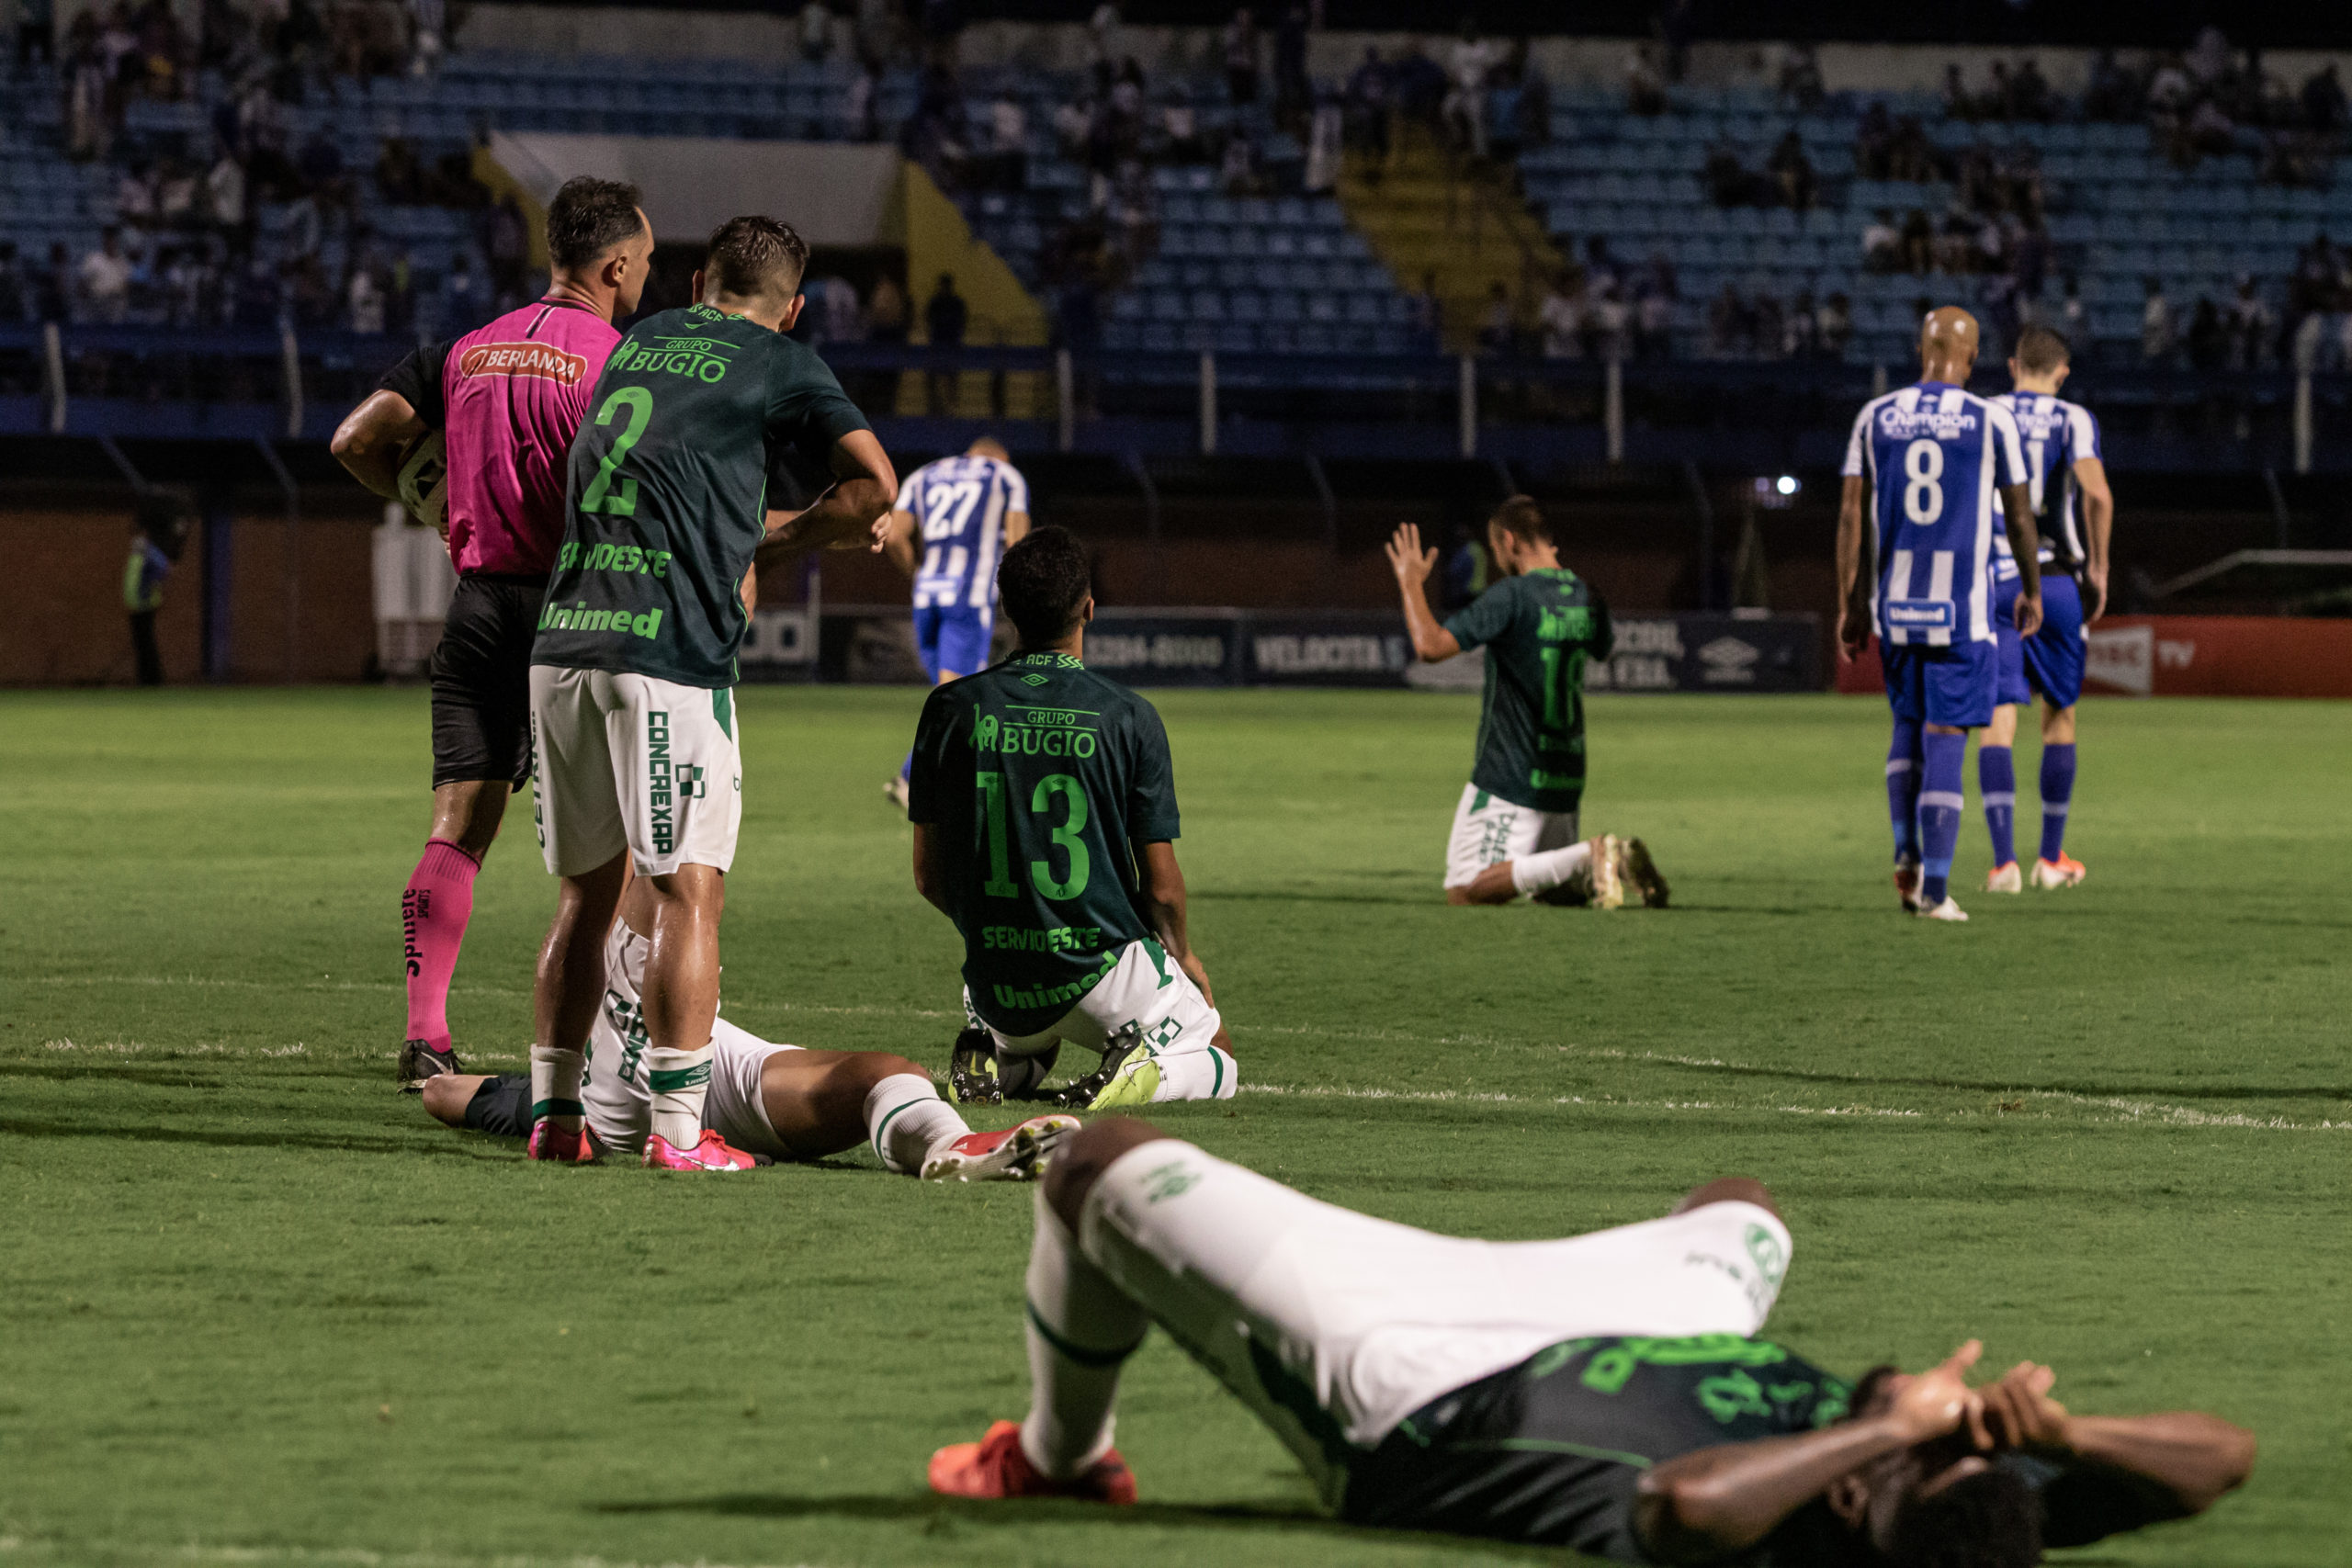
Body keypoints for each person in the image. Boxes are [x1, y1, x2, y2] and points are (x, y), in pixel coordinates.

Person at [931, 1116, 2258, 1564]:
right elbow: (2225, 1457)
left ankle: (1060, 1451)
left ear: (1863, 1492)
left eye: (1918, 1456)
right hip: (1632, 1313)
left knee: (1100, 1166)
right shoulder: (1967, 1507)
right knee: (1744, 1214)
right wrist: (2064, 1435)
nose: (1955, 1431)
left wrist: (1891, 1421)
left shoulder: (1798, 1517)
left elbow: (1680, 1502)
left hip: (1425, 1374)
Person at [525, 215, 898, 1170]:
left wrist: (733, 524)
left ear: (699, 281)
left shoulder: (640, 340)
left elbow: (658, 472)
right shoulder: (781, 361)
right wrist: (788, 538)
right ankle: (680, 1137)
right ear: (794, 306)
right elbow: (873, 485)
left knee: (584, 898)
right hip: (667, 654)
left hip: (564, 639)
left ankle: (555, 1118)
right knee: (688, 893)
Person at [328, 177, 656, 1094]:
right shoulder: (618, 360)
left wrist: (424, 497)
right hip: (575, 616)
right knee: (610, 846)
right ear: (617, 262)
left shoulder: (466, 348)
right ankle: (606, 1042)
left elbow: (355, 442)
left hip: (477, 607)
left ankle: (425, 1034)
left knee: (458, 827)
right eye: (646, 264)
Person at [420, 874, 1075, 1179]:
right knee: (674, 874)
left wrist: (503, 1097)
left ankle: (948, 1150)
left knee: (887, 1075)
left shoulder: (539, 1093)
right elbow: (446, 1094)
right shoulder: (542, 1087)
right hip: (682, 1078)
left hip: (645, 1089)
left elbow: (442, 1095)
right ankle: (944, 1143)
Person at [907, 526, 1239, 1114]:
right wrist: (1183, 958)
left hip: (997, 980)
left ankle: (999, 1055)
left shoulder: (950, 708)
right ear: (1089, 607)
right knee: (1218, 1055)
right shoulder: (1129, 715)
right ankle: (1139, 1074)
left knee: (1035, 1037)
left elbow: (930, 878)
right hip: (1100, 972)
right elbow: (1161, 887)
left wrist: (1009, 928)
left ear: (1004, 607)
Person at [1838, 307, 2041, 923]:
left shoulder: (1875, 417)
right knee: (1948, 734)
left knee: (1907, 722)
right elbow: (2021, 514)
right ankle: (1935, 889)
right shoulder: (1990, 419)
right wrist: (2030, 587)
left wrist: (1850, 599)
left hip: (1893, 607)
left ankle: (1906, 851)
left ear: (1919, 348)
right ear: (1973, 357)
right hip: (1963, 613)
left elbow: (1851, 515)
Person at [1385, 497, 1667, 909]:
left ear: (1509, 540)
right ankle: (1602, 869)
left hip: (1512, 773)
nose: (1497, 557)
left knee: (1467, 890)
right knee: (1549, 890)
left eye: (1495, 548)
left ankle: (1597, 855)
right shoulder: (1588, 597)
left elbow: (1430, 647)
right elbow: (1602, 647)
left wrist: (1410, 582)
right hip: (1566, 775)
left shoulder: (1513, 596)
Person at [1982, 326, 2109, 895]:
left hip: (1993, 581)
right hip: (2055, 580)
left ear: (2012, 366)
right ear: (2062, 372)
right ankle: (2050, 859)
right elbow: (2097, 495)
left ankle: (2003, 863)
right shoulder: (2072, 418)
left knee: (1998, 717)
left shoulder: (1984, 413)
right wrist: (2100, 568)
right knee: (2059, 713)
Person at [882, 435, 1032, 810]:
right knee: (956, 699)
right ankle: (911, 778)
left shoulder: (924, 475)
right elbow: (1017, 545)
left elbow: (894, 536)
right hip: (968, 598)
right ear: (1000, 456)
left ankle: (972, 776)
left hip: (927, 598)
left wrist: (917, 574)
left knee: (960, 698)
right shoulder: (1004, 475)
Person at [122, 498, 178, 686]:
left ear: (144, 534)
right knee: (142, 643)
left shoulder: (150, 553)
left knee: (146, 643)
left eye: (137, 534)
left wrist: (155, 590)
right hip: (137, 604)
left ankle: (152, 679)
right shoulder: (138, 554)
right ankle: (146, 678)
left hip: (145, 603)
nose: (134, 538)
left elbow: (164, 570)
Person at [923, 271, 967, 415]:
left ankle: (952, 408)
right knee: (933, 377)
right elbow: (928, 319)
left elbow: (961, 322)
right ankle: (934, 407)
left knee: (951, 378)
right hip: (936, 345)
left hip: (952, 345)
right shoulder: (935, 302)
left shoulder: (956, 303)